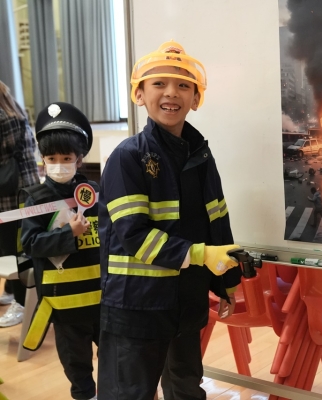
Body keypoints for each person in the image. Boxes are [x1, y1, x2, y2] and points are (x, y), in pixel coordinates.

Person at [97, 40, 242, 400]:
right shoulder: (128, 157)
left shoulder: (201, 156)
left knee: (186, 387)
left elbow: (217, 222)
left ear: (196, 98)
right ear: (140, 94)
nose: (171, 93)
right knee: (128, 394)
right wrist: (201, 255)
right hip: (136, 305)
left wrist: (226, 281)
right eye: (159, 83)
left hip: (186, 300)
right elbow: (134, 234)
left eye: (183, 85)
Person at [20, 102, 100, 400]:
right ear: (42, 159)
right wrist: (69, 234)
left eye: (66, 158)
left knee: (116, 360)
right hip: (64, 307)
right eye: (51, 158)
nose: (59, 164)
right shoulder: (36, 199)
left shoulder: (93, 193)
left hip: (103, 300)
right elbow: (31, 244)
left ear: (79, 159)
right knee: (77, 367)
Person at [0, 80, 39, 327]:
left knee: (11, 250)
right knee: (19, 247)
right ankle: (12, 291)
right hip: (26, 189)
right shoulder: (16, 112)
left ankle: (21, 303)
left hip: (9, 195)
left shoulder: (1, 117)